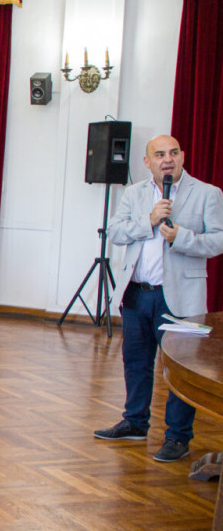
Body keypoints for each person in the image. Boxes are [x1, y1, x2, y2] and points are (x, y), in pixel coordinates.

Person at [94, 134, 223, 463]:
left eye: (174, 152)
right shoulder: (134, 194)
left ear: (182, 156)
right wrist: (148, 221)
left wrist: (183, 237)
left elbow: (218, 241)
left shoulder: (207, 193)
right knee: (135, 363)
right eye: (160, 154)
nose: (168, 159)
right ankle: (135, 422)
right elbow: (116, 232)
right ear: (147, 162)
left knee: (181, 370)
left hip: (180, 298)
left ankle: (178, 437)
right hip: (137, 294)